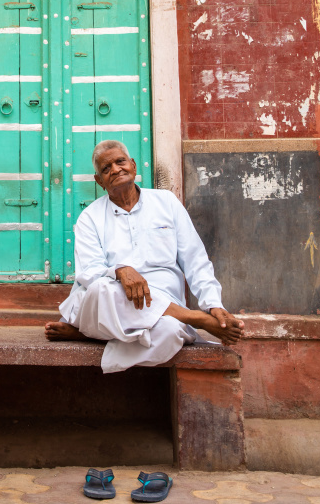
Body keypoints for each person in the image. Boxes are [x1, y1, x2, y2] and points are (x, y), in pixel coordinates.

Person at [45, 140, 244, 374]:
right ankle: (194, 319)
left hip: (163, 303)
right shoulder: (90, 217)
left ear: (133, 165)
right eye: (106, 168)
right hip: (112, 300)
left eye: (120, 162)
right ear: (99, 181)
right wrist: (120, 271)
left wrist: (213, 304)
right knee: (101, 288)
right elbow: (89, 272)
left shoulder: (166, 202)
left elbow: (195, 259)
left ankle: (93, 336)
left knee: (169, 333)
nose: (116, 169)